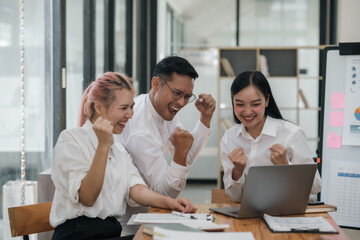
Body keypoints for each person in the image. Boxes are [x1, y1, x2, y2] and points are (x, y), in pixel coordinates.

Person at [49, 72, 197, 240]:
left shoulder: (118, 150)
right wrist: (103, 146)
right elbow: (87, 198)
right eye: (124, 108)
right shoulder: (71, 140)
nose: (130, 114)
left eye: (132, 107)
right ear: (98, 108)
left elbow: (137, 189)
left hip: (110, 233)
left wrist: (171, 203)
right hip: (77, 235)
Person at [117, 56, 215, 234]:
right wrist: (179, 155)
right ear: (156, 84)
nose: (181, 103)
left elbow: (185, 154)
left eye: (187, 97)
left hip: (153, 212)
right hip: (131, 225)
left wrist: (205, 118)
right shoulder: (141, 128)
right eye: (177, 93)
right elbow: (165, 192)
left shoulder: (163, 110)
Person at [221, 71, 322, 201]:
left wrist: (285, 166)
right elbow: (235, 197)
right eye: (239, 104)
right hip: (247, 216)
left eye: (256, 104)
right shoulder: (229, 138)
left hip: (286, 215)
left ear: (267, 100)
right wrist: (237, 172)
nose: (247, 111)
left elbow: (316, 186)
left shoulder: (291, 133)